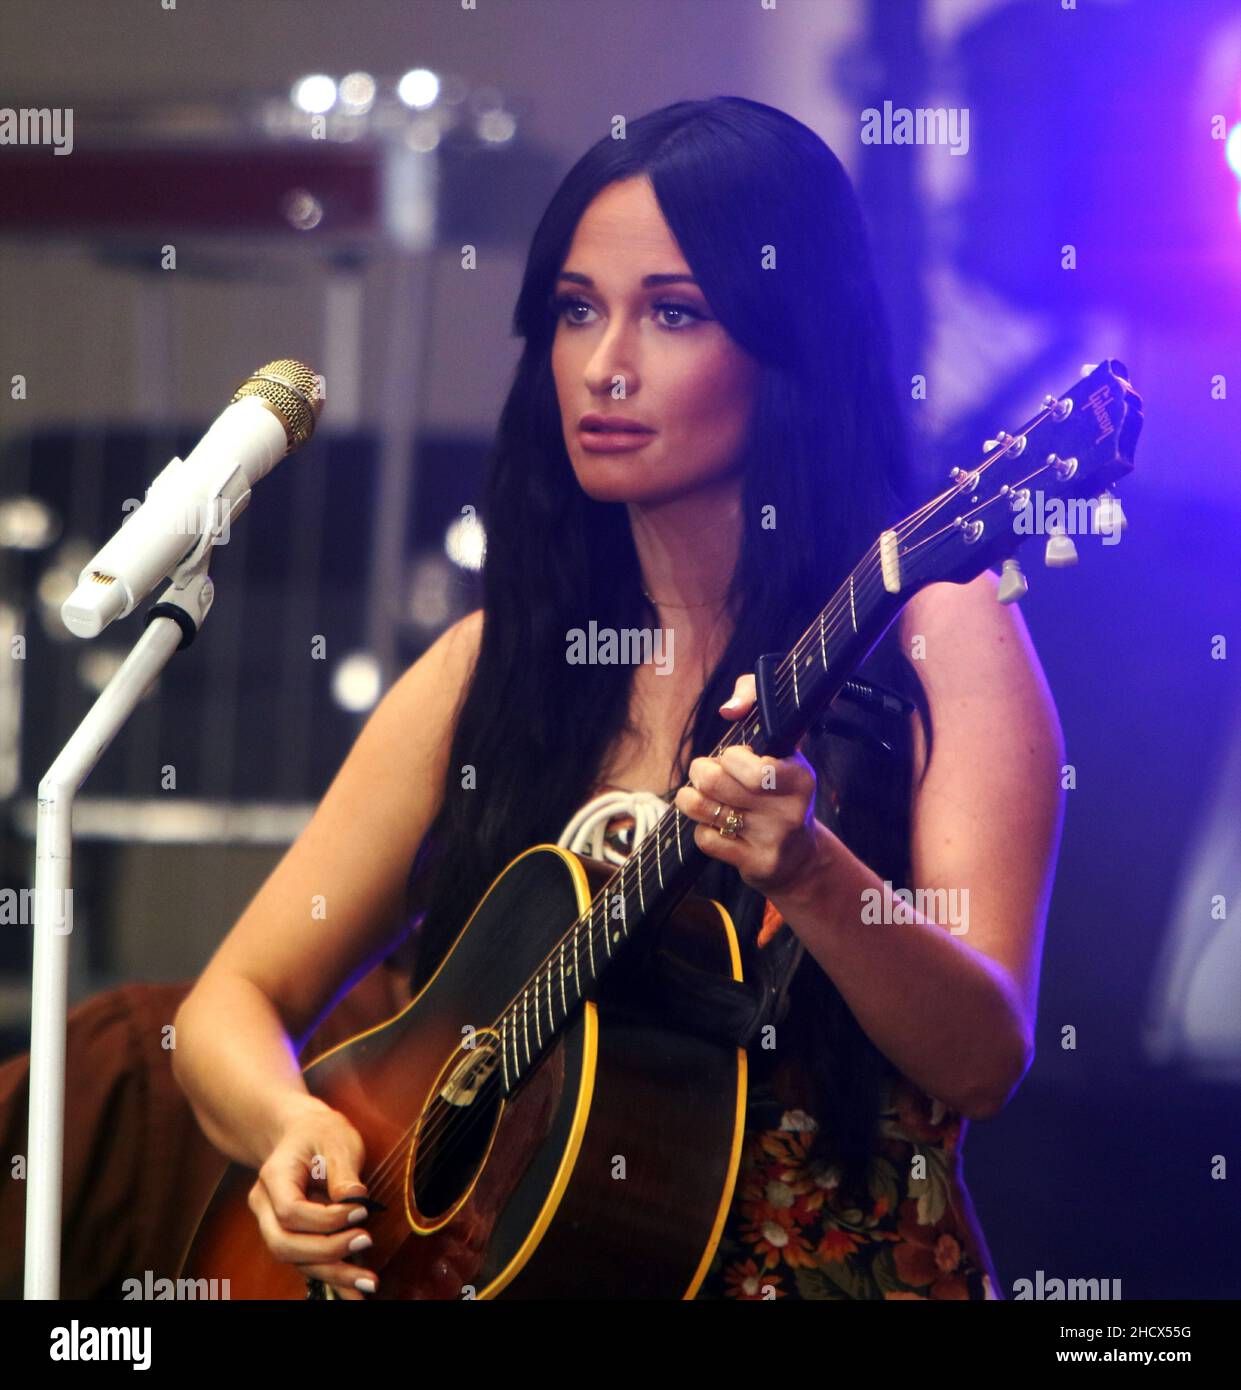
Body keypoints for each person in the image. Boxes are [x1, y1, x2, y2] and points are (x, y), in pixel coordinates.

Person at [172, 95, 1064, 1301]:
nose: (603, 364)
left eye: (674, 313)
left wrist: (808, 875)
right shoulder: (489, 667)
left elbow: (981, 1058)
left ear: (786, 342)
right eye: (576, 309)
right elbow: (230, 1000)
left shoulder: (935, 633)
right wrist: (286, 1128)